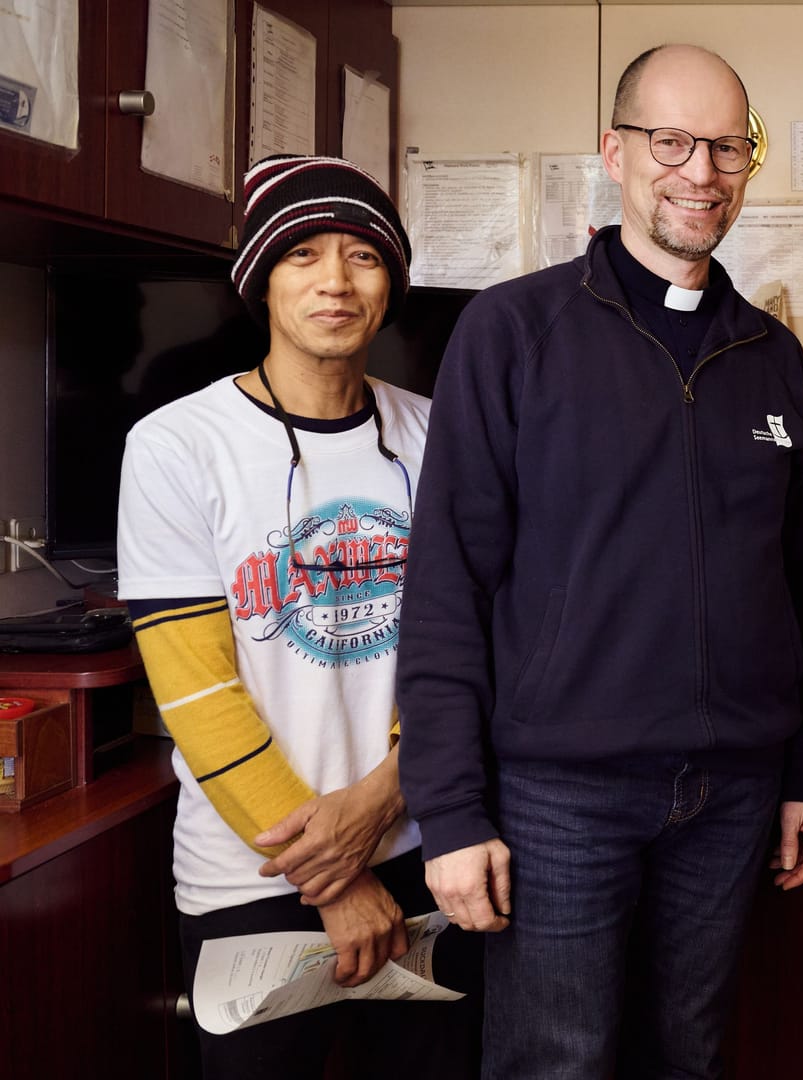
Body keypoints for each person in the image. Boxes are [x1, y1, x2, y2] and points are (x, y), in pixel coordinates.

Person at [394, 43, 803, 1078]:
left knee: (690, 1056)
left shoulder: (769, 358)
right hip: (559, 795)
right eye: (672, 141)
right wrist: (451, 812)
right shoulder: (513, 331)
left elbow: (800, 586)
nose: (702, 171)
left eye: (728, 146)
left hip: (734, 790)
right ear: (614, 152)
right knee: (559, 1062)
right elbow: (448, 587)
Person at [118, 153, 475, 1077]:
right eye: (304, 253)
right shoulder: (175, 447)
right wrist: (338, 874)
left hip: (423, 851)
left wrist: (387, 802)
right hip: (255, 870)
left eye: (362, 256)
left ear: (391, 282)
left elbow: (471, 649)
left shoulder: (440, 435)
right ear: (260, 278)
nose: (335, 281)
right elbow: (198, 693)